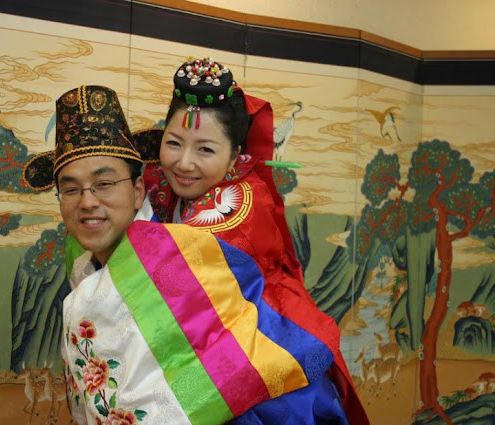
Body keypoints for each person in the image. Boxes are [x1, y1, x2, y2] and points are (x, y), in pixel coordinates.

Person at [24, 85, 355, 424]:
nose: (88, 201)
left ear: (138, 191)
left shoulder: (214, 226)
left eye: (105, 183)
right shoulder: (144, 219)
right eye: (70, 188)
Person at [136, 57, 369, 424]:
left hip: (259, 349)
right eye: (174, 143)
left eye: (205, 150)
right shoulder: (162, 184)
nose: (183, 162)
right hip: (203, 348)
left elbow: (170, 265)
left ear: (234, 156)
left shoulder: (242, 201)